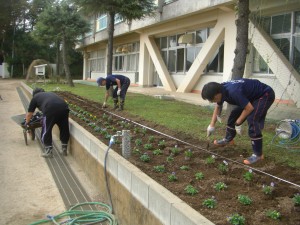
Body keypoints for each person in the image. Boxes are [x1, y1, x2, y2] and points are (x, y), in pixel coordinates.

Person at [201, 78, 275, 165]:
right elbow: (218, 106)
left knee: (253, 119)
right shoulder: (220, 89)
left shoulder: (233, 92)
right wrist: (212, 125)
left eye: (211, 99)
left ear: (217, 95)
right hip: (251, 96)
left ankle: (258, 154)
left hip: (264, 95)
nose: (211, 101)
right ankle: (229, 139)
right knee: (233, 115)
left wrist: (238, 123)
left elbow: (249, 108)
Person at [25, 88, 70, 157]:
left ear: (34, 94)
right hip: (64, 107)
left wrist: (27, 123)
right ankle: (64, 149)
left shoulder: (35, 97)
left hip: (50, 108)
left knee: (46, 129)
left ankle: (48, 151)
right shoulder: (50, 94)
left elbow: (29, 114)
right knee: (64, 128)